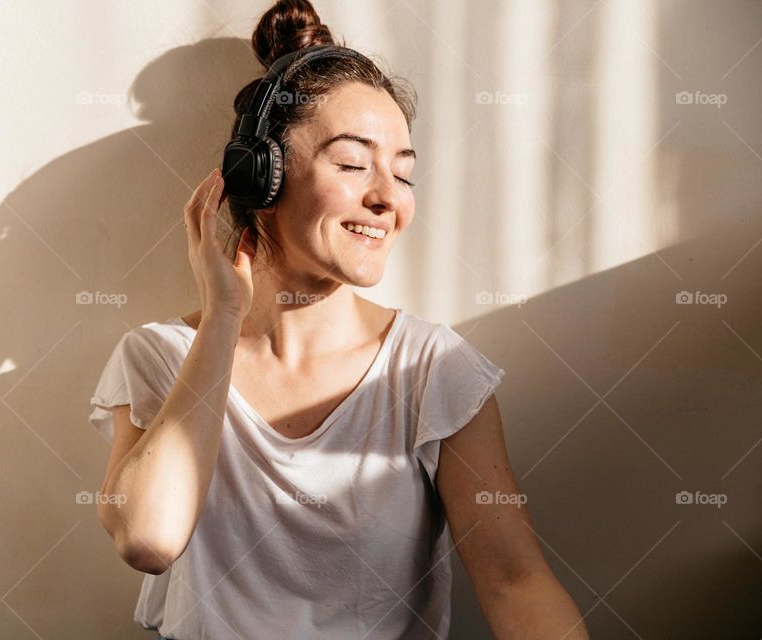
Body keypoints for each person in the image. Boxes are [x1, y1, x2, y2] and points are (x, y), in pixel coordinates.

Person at [89, 1, 589, 638]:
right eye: (353, 164)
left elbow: (514, 582)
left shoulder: (431, 369)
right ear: (260, 179)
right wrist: (221, 320)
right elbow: (148, 540)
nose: (387, 196)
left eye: (403, 172)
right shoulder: (158, 356)